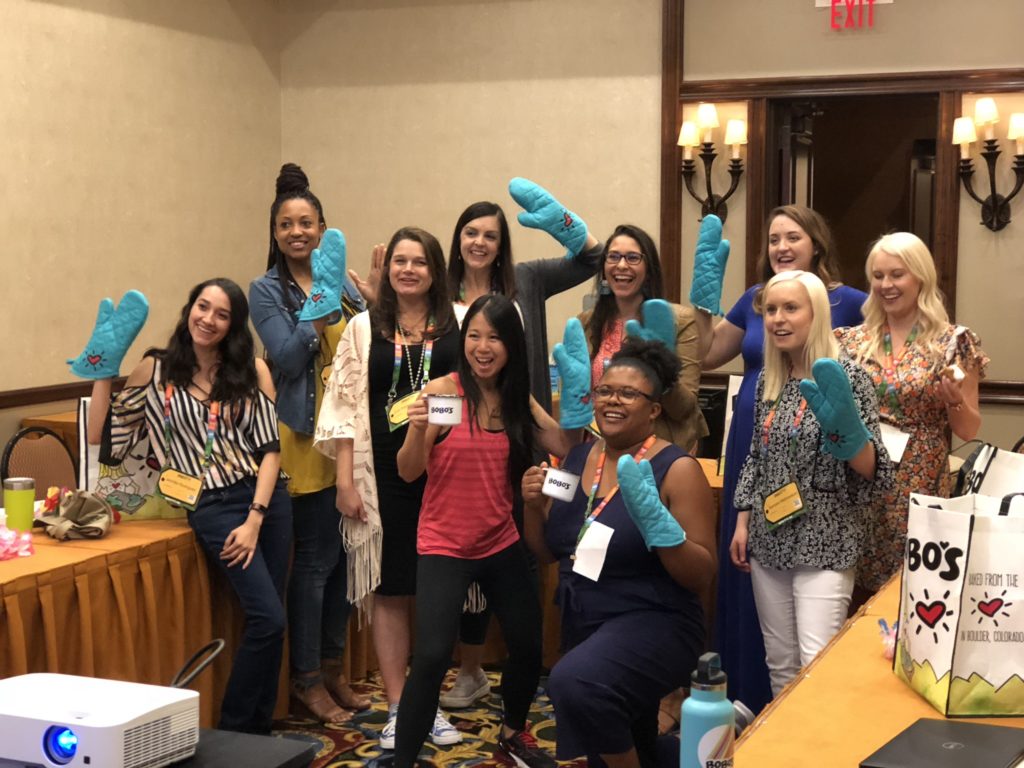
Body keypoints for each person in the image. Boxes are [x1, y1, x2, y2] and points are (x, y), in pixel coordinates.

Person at [80, 278, 290, 734]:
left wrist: (256, 517)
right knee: (267, 618)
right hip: (212, 504)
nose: (208, 319)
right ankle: (235, 732)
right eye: (202, 307)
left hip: (266, 501)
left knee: (272, 620)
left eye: (221, 314)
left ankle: (260, 734)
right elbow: (102, 437)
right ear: (189, 309)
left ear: (234, 325)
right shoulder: (155, 370)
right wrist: (104, 369)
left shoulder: (251, 370)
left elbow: (270, 451)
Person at [691, 206, 867, 713]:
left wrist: (849, 433)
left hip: (823, 485)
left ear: (817, 242)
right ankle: (753, 703)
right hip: (758, 451)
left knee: (816, 654)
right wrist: (703, 298)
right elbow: (705, 354)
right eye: (773, 239)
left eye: (793, 237)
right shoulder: (755, 302)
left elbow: (867, 449)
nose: (782, 247)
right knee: (770, 628)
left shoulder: (849, 307)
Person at [439, 181, 603, 709]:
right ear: (458, 239)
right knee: (468, 556)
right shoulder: (442, 297)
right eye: (471, 233)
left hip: (525, 437)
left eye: (490, 235)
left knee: (527, 548)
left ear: (502, 243)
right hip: (461, 446)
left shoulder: (527, 279)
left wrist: (562, 220)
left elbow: (594, 258)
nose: (479, 242)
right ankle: (470, 670)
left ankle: (527, 669)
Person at [392, 294, 575, 768]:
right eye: (474, 336)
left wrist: (576, 399)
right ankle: (403, 759)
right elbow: (409, 472)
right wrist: (418, 429)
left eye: (494, 337)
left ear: (511, 344)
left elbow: (563, 445)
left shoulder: (517, 400)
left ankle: (512, 734)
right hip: (444, 544)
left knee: (529, 644)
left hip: (500, 541)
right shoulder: (444, 393)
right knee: (432, 656)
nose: (483, 347)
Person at [521, 337, 716, 768]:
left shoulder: (677, 470)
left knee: (575, 684)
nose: (612, 400)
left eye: (628, 393)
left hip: (656, 621)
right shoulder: (577, 459)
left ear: (654, 409)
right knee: (626, 742)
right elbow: (550, 551)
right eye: (605, 391)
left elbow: (702, 574)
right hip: (585, 620)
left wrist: (662, 530)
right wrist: (533, 507)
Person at [315, 227, 462, 749]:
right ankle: (401, 706)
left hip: (449, 473)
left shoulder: (459, 322)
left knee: (440, 592)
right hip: (381, 475)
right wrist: (344, 480)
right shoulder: (363, 327)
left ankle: (429, 704)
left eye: (419, 262)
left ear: (435, 270)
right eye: (400, 261)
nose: (408, 270)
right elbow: (342, 405)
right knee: (392, 589)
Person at [729, 270, 892, 697]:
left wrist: (849, 438)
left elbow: (875, 471)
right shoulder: (769, 379)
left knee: (816, 668)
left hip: (826, 541)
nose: (778, 319)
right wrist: (743, 521)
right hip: (770, 539)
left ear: (816, 314)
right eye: (770, 310)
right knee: (781, 665)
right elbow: (756, 456)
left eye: (790, 308)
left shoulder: (849, 378)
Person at [248, 163, 369, 723]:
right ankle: (306, 679)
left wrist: (370, 296)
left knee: (346, 560)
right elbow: (289, 358)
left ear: (323, 227)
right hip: (302, 435)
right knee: (317, 561)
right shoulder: (265, 290)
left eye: (306, 223)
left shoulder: (344, 281)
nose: (297, 232)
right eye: (286, 225)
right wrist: (317, 311)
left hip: (351, 435)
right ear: (275, 234)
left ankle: (335, 668)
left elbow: (367, 342)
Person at [837, 232, 987, 593]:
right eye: (878, 276)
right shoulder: (849, 342)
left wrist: (954, 400)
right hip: (861, 477)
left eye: (897, 274)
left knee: (916, 591)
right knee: (854, 595)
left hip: (921, 481)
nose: (886, 285)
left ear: (920, 276)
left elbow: (968, 431)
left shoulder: (953, 342)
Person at [580, 223, 707, 453]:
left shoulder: (680, 321)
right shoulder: (586, 322)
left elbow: (684, 409)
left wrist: (659, 362)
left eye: (632, 258)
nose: (621, 265)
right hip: (598, 448)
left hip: (655, 451)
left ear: (648, 270)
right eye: (614, 257)